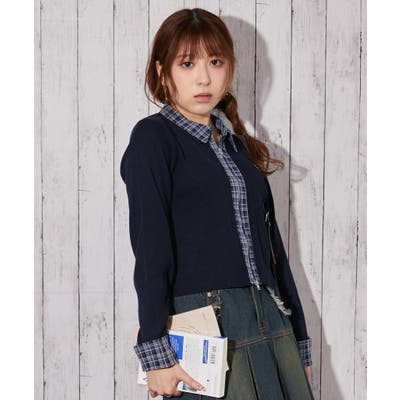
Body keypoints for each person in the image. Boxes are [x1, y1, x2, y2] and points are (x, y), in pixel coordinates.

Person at [120, 8, 314, 400]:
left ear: (230, 68)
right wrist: (155, 352)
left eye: (215, 61)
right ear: (162, 72)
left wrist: (299, 340)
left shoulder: (239, 147)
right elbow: (151, 248)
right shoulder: (153, 139)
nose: (204, 78)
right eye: (187, 64)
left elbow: (275, 252)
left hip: (271, 318)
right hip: (207, 325)